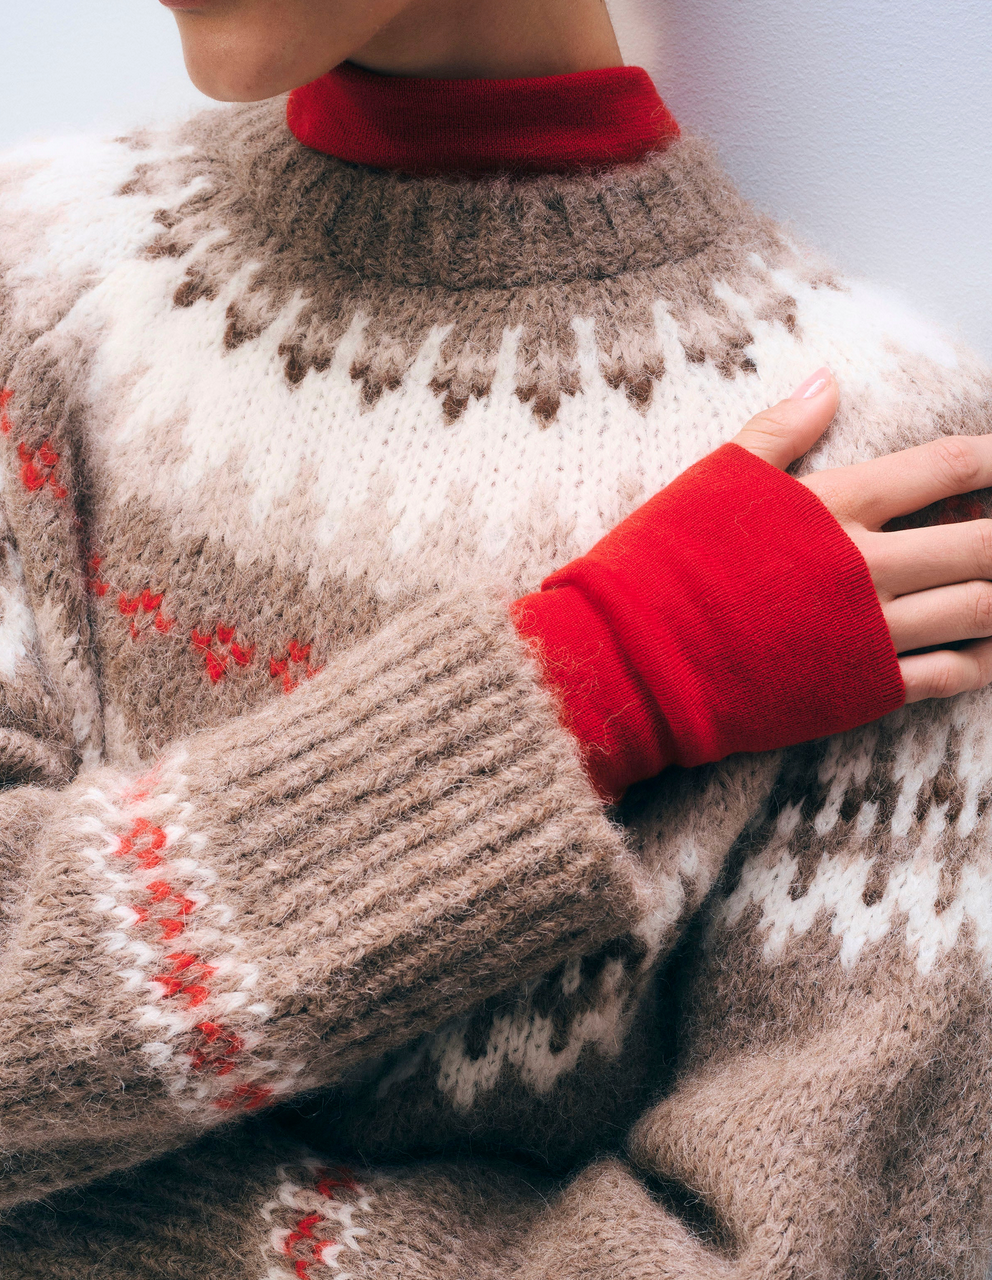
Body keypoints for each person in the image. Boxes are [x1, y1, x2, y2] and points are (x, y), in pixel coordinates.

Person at [1, 0, 991, 1274]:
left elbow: (785, 1246)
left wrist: (59, 1215)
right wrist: (596, 677)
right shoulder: (34, 286)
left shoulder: (893, 478)